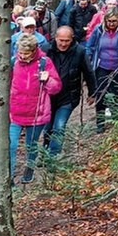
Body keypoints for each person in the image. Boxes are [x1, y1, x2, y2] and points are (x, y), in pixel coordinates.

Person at [10, 34, 62, 183]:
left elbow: (56, 88)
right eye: (21, 52)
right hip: (15, 112)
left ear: (34, 51)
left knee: (31, 145)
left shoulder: (44, 63)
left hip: (36, 113)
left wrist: (47, 80)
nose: (23, 56)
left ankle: (29, 168)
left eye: (26, 53)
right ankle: (10, 177)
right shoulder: (13, 62)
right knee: (11, 145)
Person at [44, 26, 96, 157]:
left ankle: (53, 156)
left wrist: (93, 92)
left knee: (59, 126)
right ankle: (44, 152)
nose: (63, 44)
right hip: (48, 97)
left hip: (68, 96)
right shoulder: (46, 50)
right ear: (55, 38)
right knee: (48, 127)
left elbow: (89, 72)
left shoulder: (79, 52)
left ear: (71, 39)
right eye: (61, 40)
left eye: (67, 40)